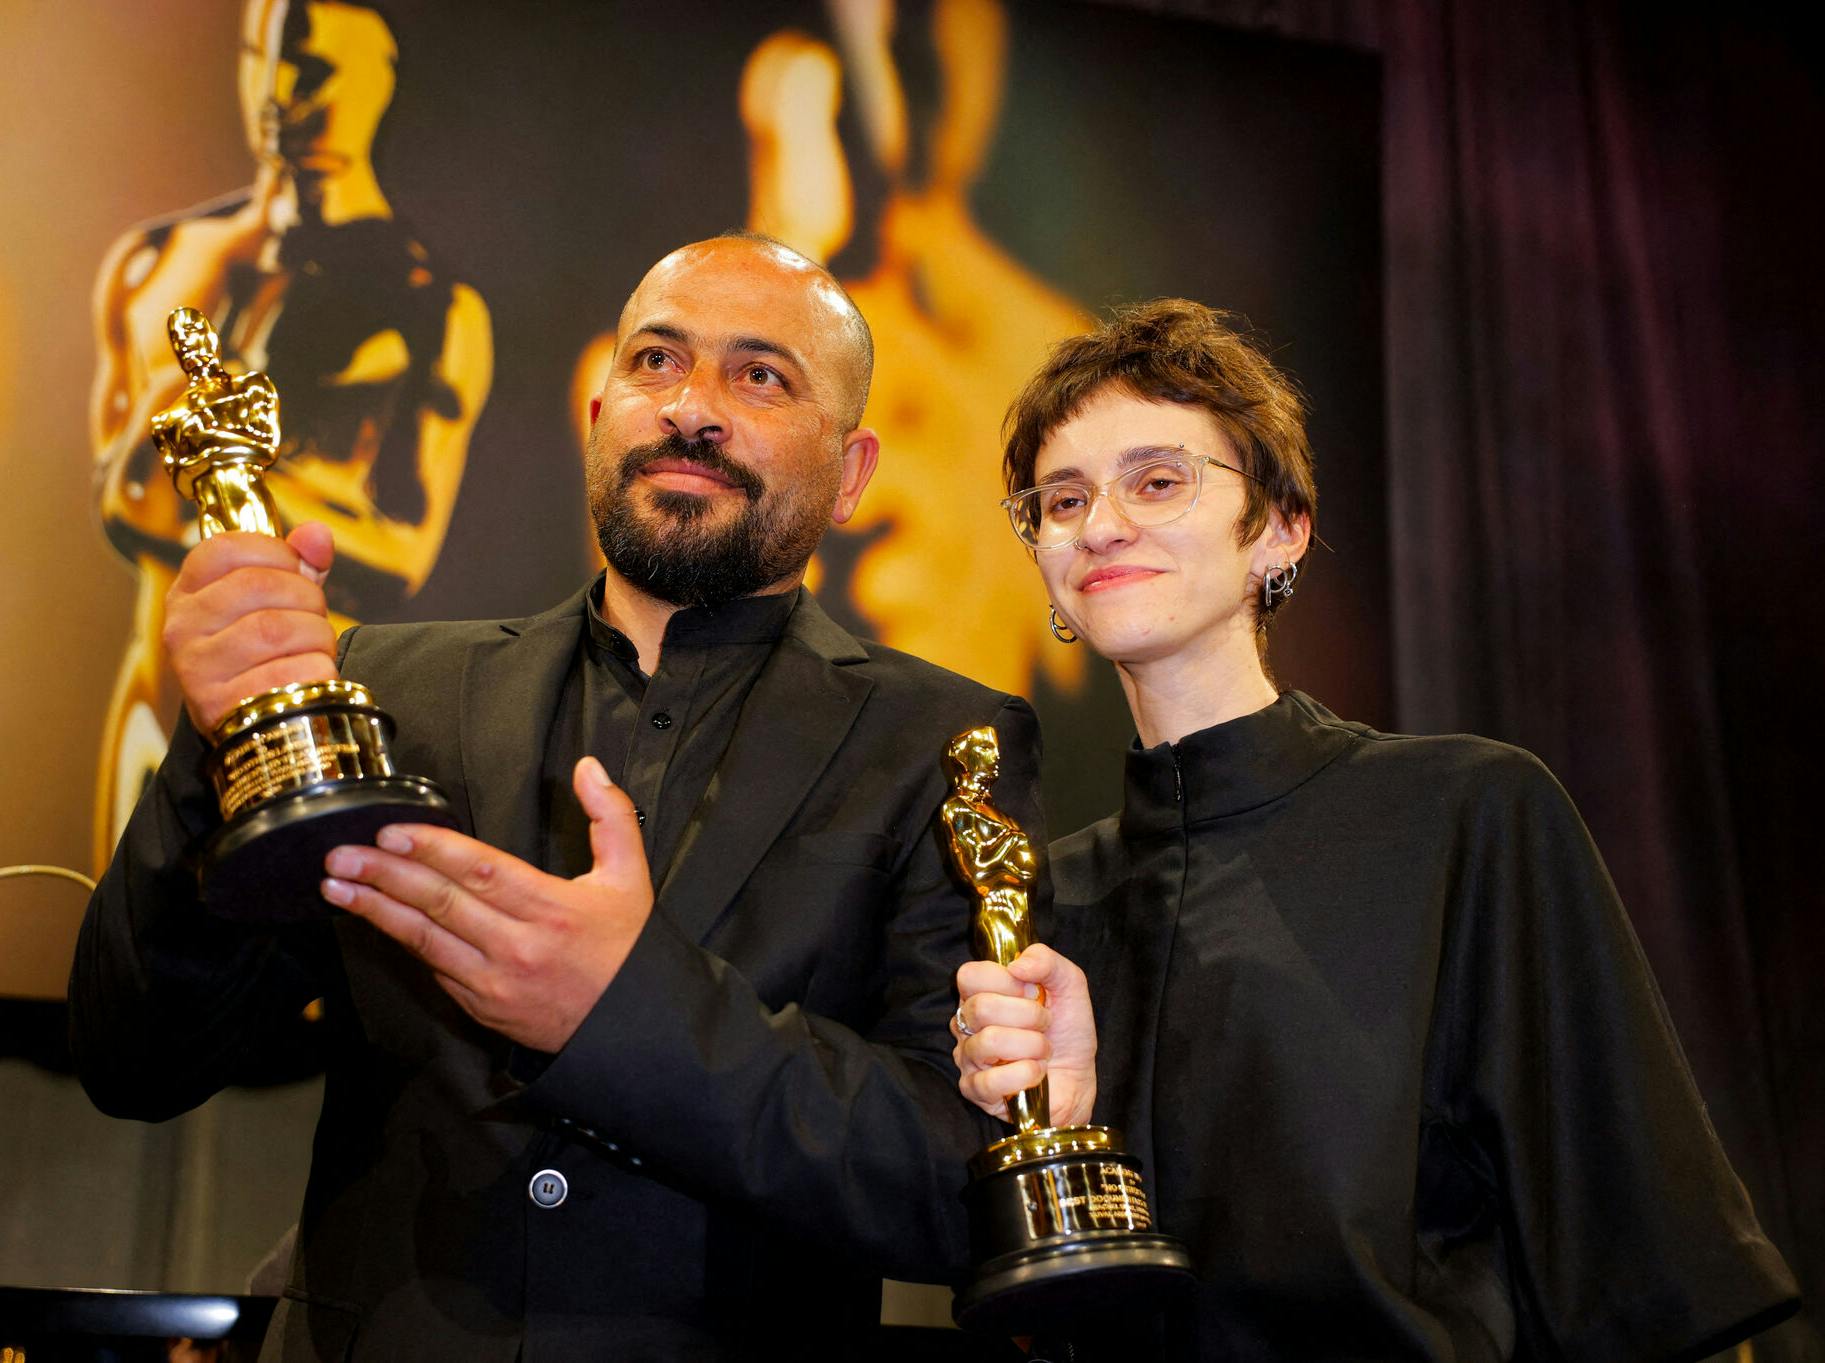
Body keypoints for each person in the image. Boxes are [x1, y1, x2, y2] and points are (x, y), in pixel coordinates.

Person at [72, 233, 1041, 1361]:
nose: (693, 409)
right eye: (656, 362)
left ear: (853, 473)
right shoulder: (383, 686)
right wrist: (215, 744)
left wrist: (628, 1015)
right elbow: (137, 1058)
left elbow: (956, 1182)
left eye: (760, 376)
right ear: (597, 420)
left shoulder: (945, 745)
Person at [950, 299, 1799, 1360]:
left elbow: (1646, 1264)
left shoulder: (1468, 815)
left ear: (1277, 528)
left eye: (1157, 480)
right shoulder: (1042, 909)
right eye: (1062, 498)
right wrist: (1060, 1129)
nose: (1101, 523)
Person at [89, 0, 492, 872]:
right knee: (113, 980)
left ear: (382, 81)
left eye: (313, 69)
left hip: (302, 740)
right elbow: (121, 495)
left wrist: (233, 482)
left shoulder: (431, 311)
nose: (278, 94)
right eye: (259, 57)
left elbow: (404, 550)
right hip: (146, 713)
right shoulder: (158, 262)